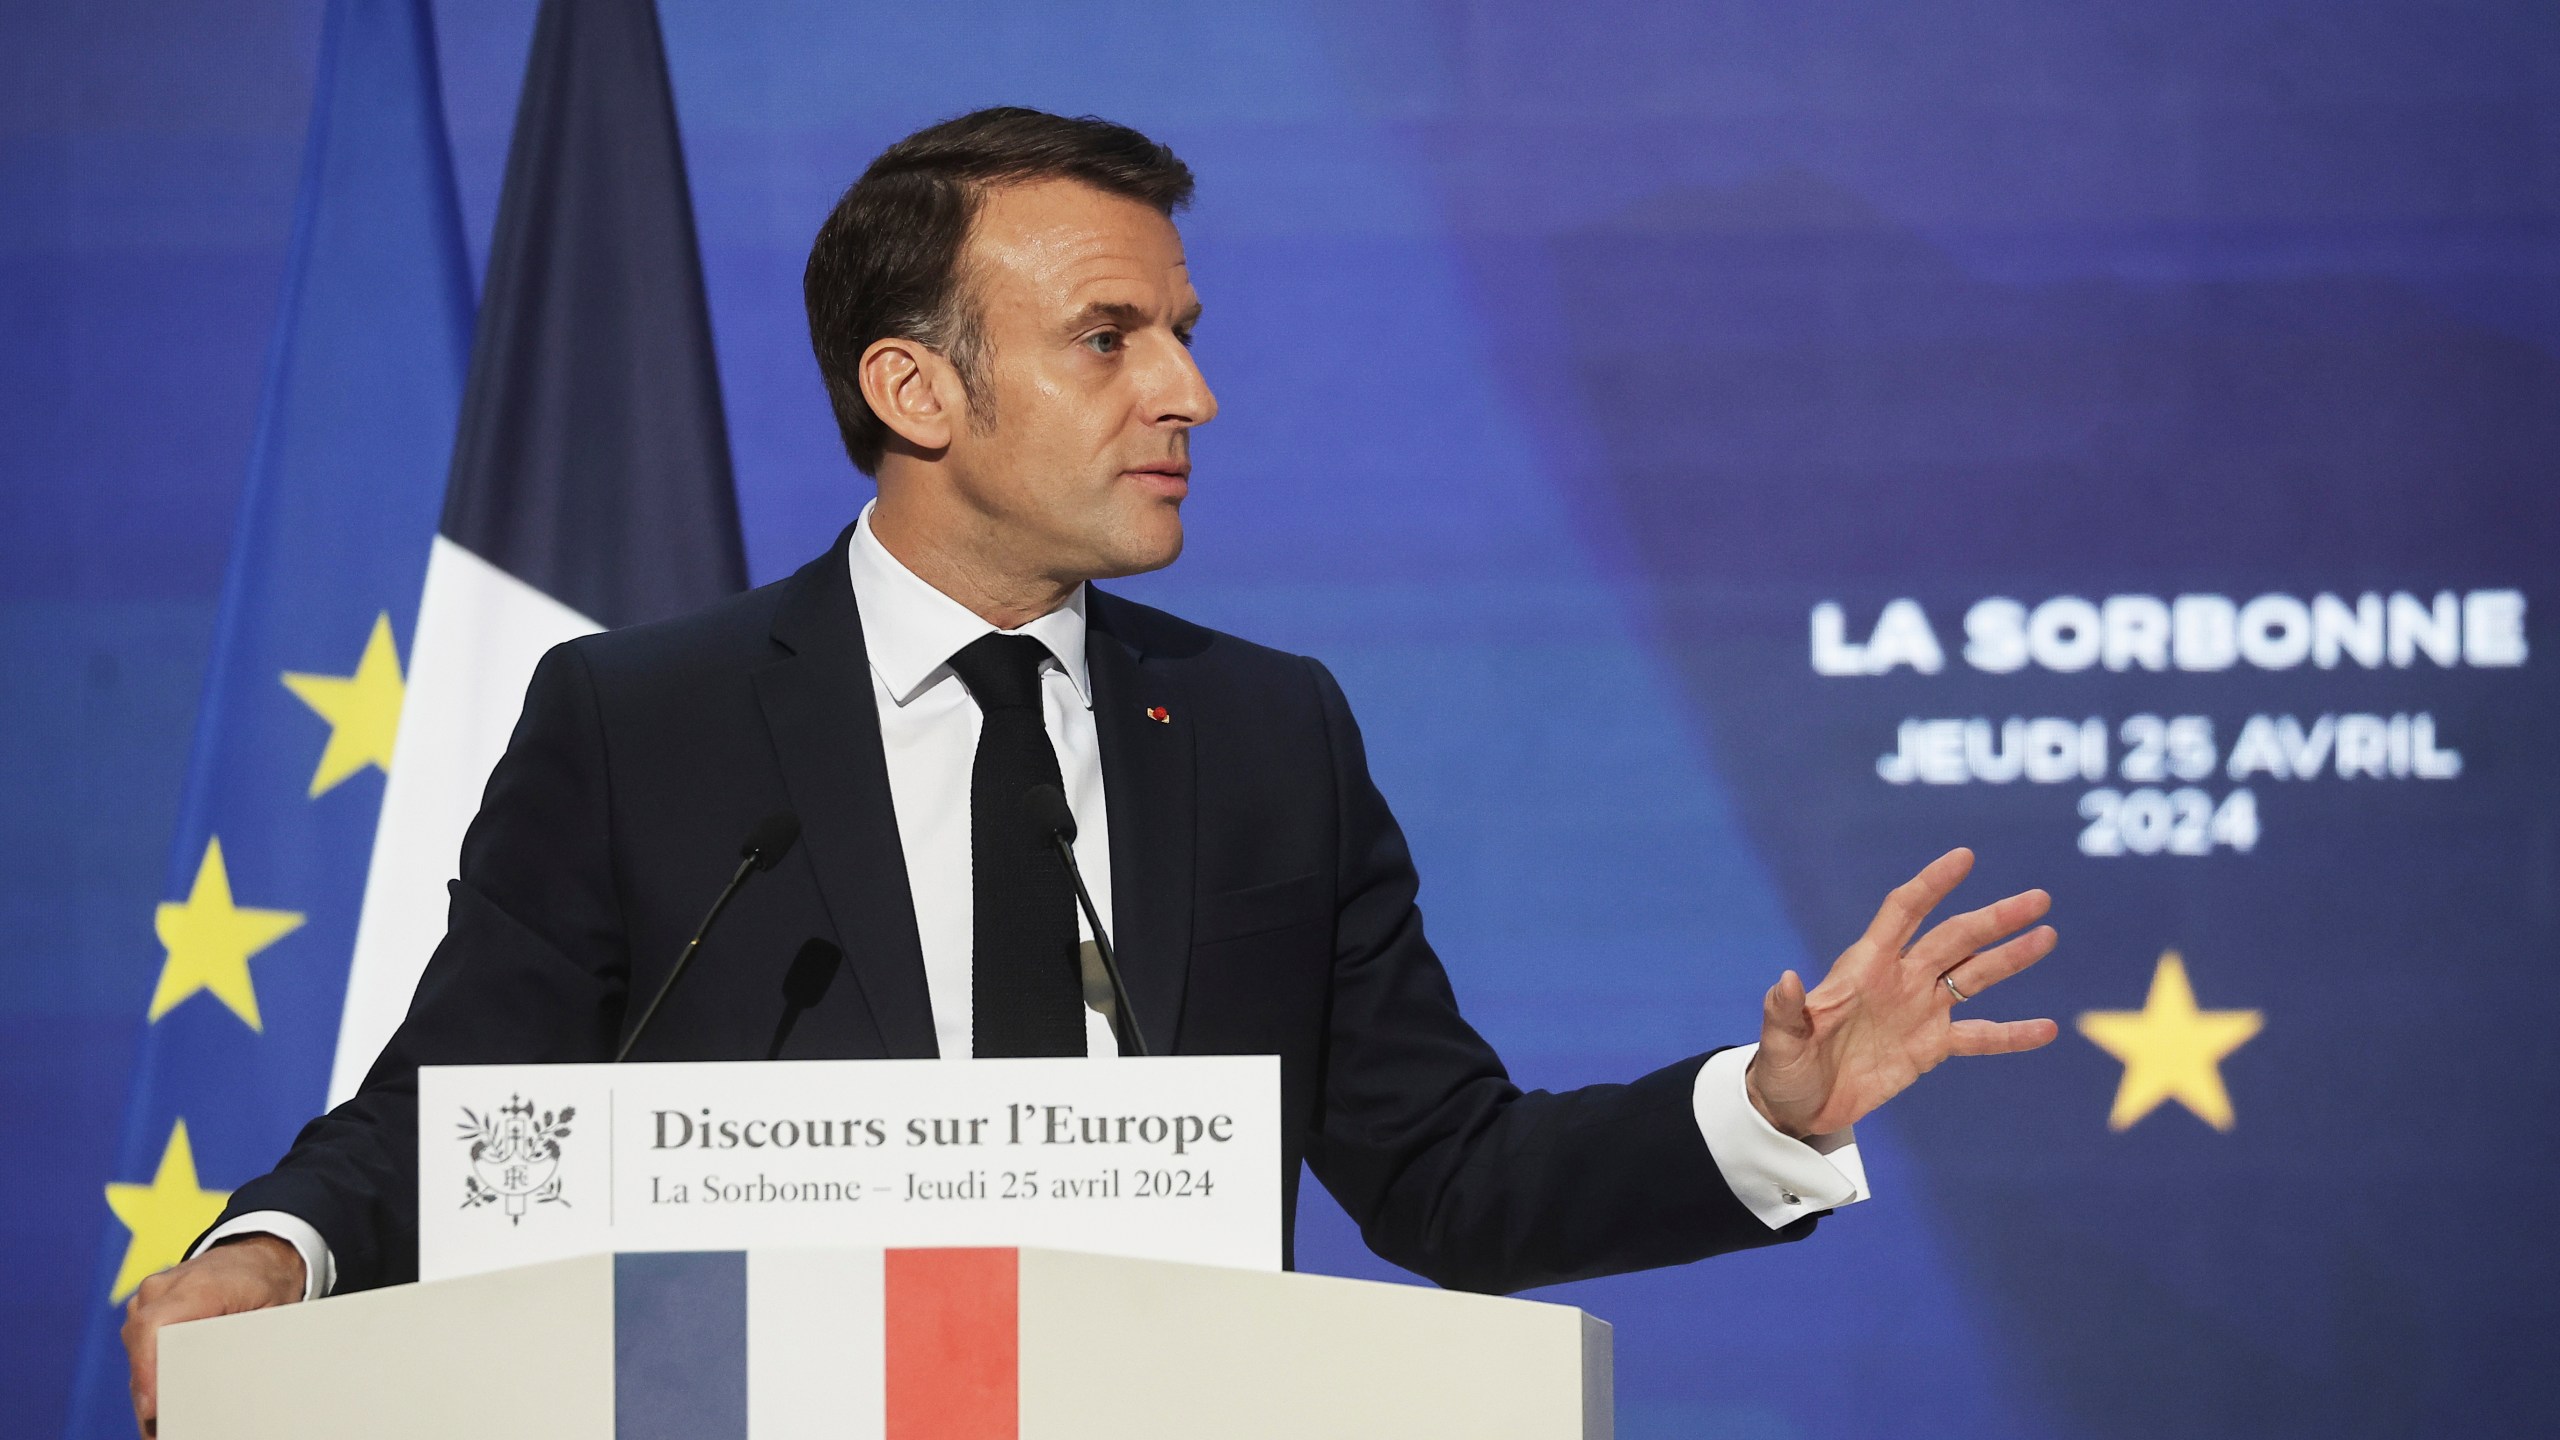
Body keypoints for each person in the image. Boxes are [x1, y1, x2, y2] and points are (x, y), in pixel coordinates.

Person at [119, 107, 2060, 1432]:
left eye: (1185, 336)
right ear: (914, 389)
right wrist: (266, 1260)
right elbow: (463, 1118)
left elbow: (1451, 1178)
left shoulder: (1257, 733)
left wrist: (1769, 1109)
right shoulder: (645, 724)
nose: (1187, 393)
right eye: (1109, 338)